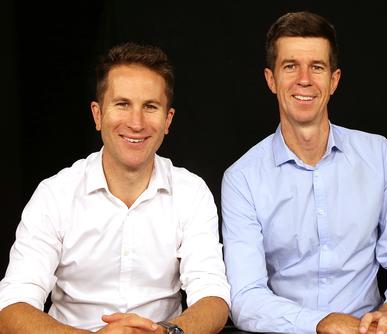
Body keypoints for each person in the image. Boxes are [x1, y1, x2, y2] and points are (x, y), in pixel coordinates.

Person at [0, 43, 230, 334]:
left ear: (168, 120)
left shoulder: (191, 192)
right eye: (122, 104)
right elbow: (11, 307)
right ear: (97, 115)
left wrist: (165, 332)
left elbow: (214, 298)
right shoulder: (54, 195)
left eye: (150, 107)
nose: (136, 123)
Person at [221, 11, 387, 334]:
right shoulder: (242, 178)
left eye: (317, 67)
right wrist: (322, 324)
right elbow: (246, 298)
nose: (304, 79)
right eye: (290, 66)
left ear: (334, 80)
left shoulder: (378, 154)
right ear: (271, 80)